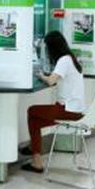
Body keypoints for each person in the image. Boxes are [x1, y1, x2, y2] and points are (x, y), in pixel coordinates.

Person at [20, 31, 85, 173]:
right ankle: (35, 155)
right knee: (35, 121)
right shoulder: (71, 58)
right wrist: (49, 76)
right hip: (76, 109)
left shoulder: (64, 60)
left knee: (32, 111)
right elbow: (58, 78)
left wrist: (41, 76)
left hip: (68, 110)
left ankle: (35, 153)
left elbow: (51, 81)